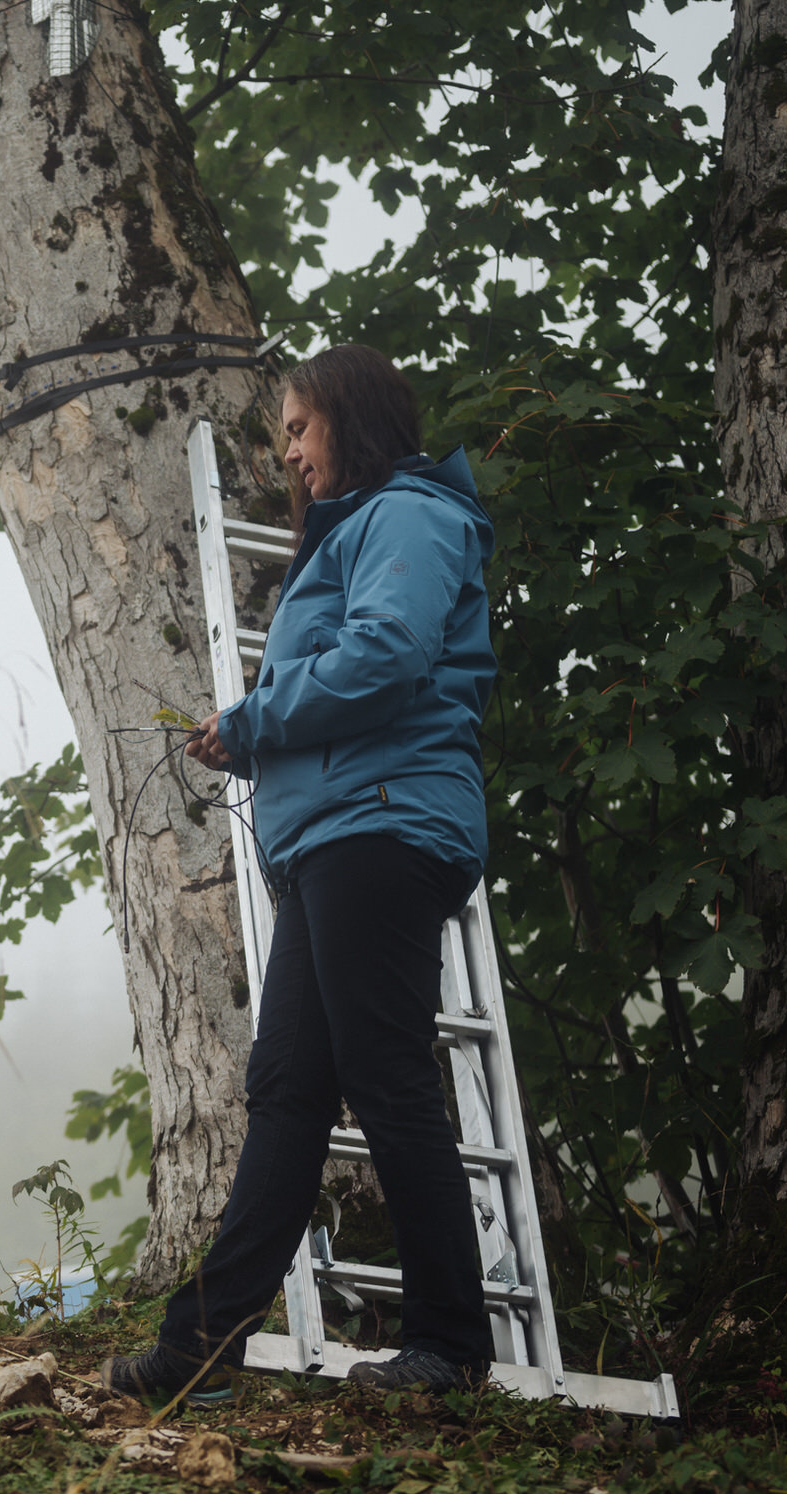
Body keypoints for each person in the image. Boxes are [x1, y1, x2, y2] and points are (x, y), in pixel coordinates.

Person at [103, 343, 499, 1403]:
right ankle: (201, 1345)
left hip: (382, 828)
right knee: (287, 1090)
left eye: (297, 427)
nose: (287, 452)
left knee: (385, 1078)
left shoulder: (407, 516)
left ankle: (451, 1345)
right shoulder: (351, 533)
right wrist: (253, 737)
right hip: (333, 839)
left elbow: (385, 654)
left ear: (351, 419)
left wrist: (255, 720)